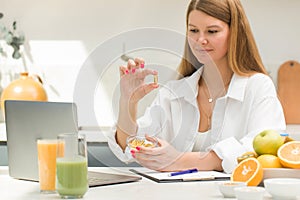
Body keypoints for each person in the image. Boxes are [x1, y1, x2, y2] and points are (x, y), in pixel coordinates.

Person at [107, 0, 286, 173]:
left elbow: (262, 150)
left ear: (235, 32)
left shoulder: (258, 87)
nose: (200, 40)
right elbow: (128, 147)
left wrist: (178, 160)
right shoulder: (173, 93)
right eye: (193, 30)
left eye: (212, 31)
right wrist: (127, 101)